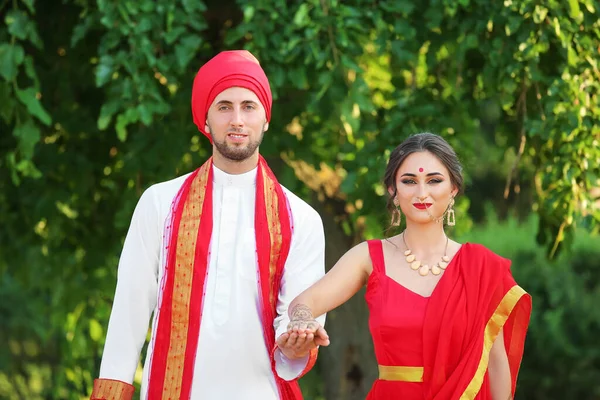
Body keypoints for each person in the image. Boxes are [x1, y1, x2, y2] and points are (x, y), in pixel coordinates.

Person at [90, 50, 329, 400]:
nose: (237, 120)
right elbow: (130, 308)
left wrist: (296, 341)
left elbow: (298, 314)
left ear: (266, 119)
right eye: (224, 107)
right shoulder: (159, 203)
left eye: (249, 106)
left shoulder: (301, 218)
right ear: (204, 120)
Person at [287, 133, 532, 399]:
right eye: (409, 181)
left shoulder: (481, 270)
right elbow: (303, 303)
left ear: (453, 190)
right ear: (393, 191)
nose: (422, 193)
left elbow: (495, 365)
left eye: (434, 181)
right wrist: (303, 324)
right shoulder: (369, 257)